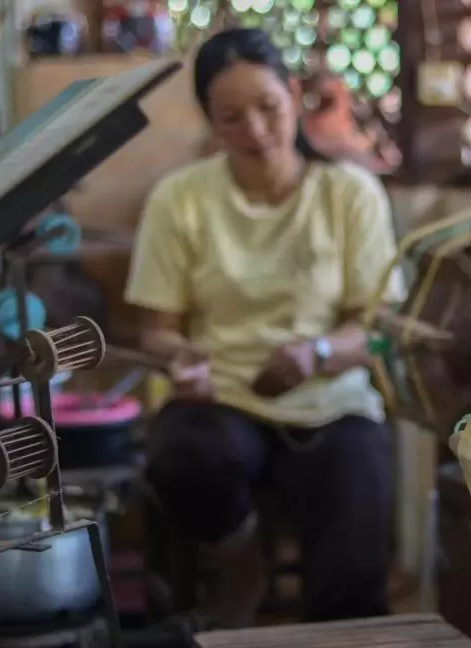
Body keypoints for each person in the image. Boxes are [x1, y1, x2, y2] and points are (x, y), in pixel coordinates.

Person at [124, 27, 406, 628]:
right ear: (210, 120)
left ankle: (344, 634)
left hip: (331, 400)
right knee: (184, 457)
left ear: (295, 94)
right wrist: (182, 360)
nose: (253, 131)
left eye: (267, 108)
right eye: (230, 118)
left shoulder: (350, 193)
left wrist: (320, 351)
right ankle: (237, 560)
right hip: (221, 396)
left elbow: (378, 330)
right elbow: (158, 331)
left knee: (356, 519)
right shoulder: (180, 199)